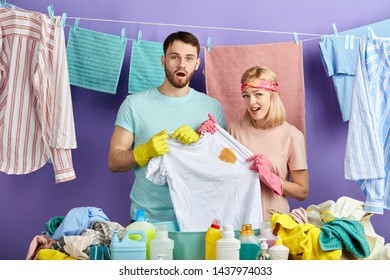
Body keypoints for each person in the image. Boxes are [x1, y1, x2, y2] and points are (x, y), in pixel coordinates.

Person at [108, 31, 226, 223]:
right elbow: (113, 161)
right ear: (163, 61)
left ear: (197, 63)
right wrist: (144, 152)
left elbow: (223, 164)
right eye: (174, 57)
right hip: (147, 219)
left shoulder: (213, 108)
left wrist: (201, 143)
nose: (181, 64)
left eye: (189, 58)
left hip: (199, 217)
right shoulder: (134, 104)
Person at [201, 66, 309, 221]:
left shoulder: (292, 135)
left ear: (272, 95)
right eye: (246, 96)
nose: (251, 102)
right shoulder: (234, 130)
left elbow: (302, 191)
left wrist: (270, 178)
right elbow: (216, 174)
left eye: (258, 94)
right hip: (237, 222)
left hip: (275, 223)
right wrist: (209, 140)